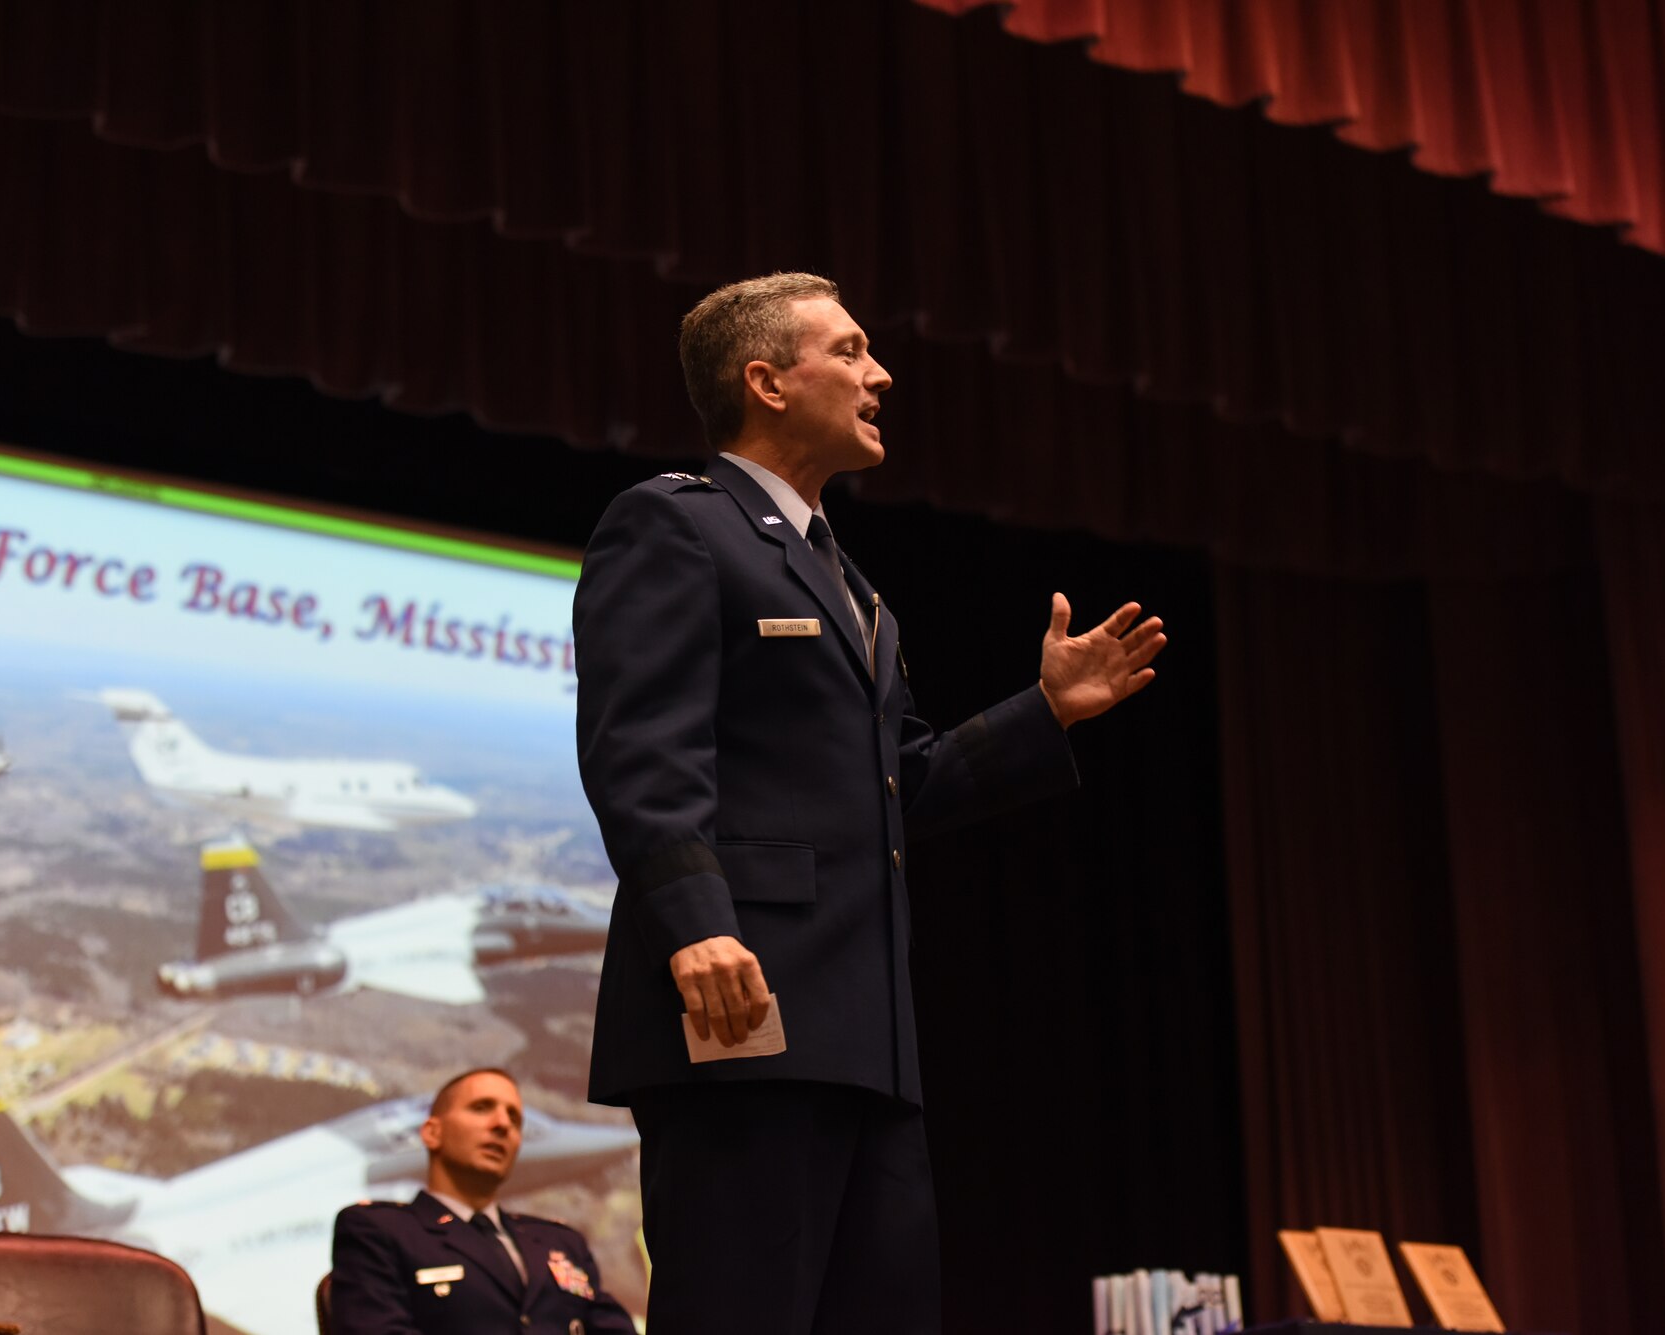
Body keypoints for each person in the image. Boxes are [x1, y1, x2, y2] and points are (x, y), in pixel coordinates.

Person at [573, 272, 1167, 1334]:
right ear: (764, 380)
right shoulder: (674, 526)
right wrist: (695, 929)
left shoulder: (852, 587)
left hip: (866, 1040)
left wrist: (1044, 712)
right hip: (741, 1017)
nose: (878, 373)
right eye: (846, 351)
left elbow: (904, 786)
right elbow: (640, 753)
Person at [330, 1068, 636, 1335]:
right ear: (432, 1132)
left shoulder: (562, 1243)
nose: (503, 1124)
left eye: (515, 1119)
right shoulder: (380, 1231)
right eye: (481, 1108)